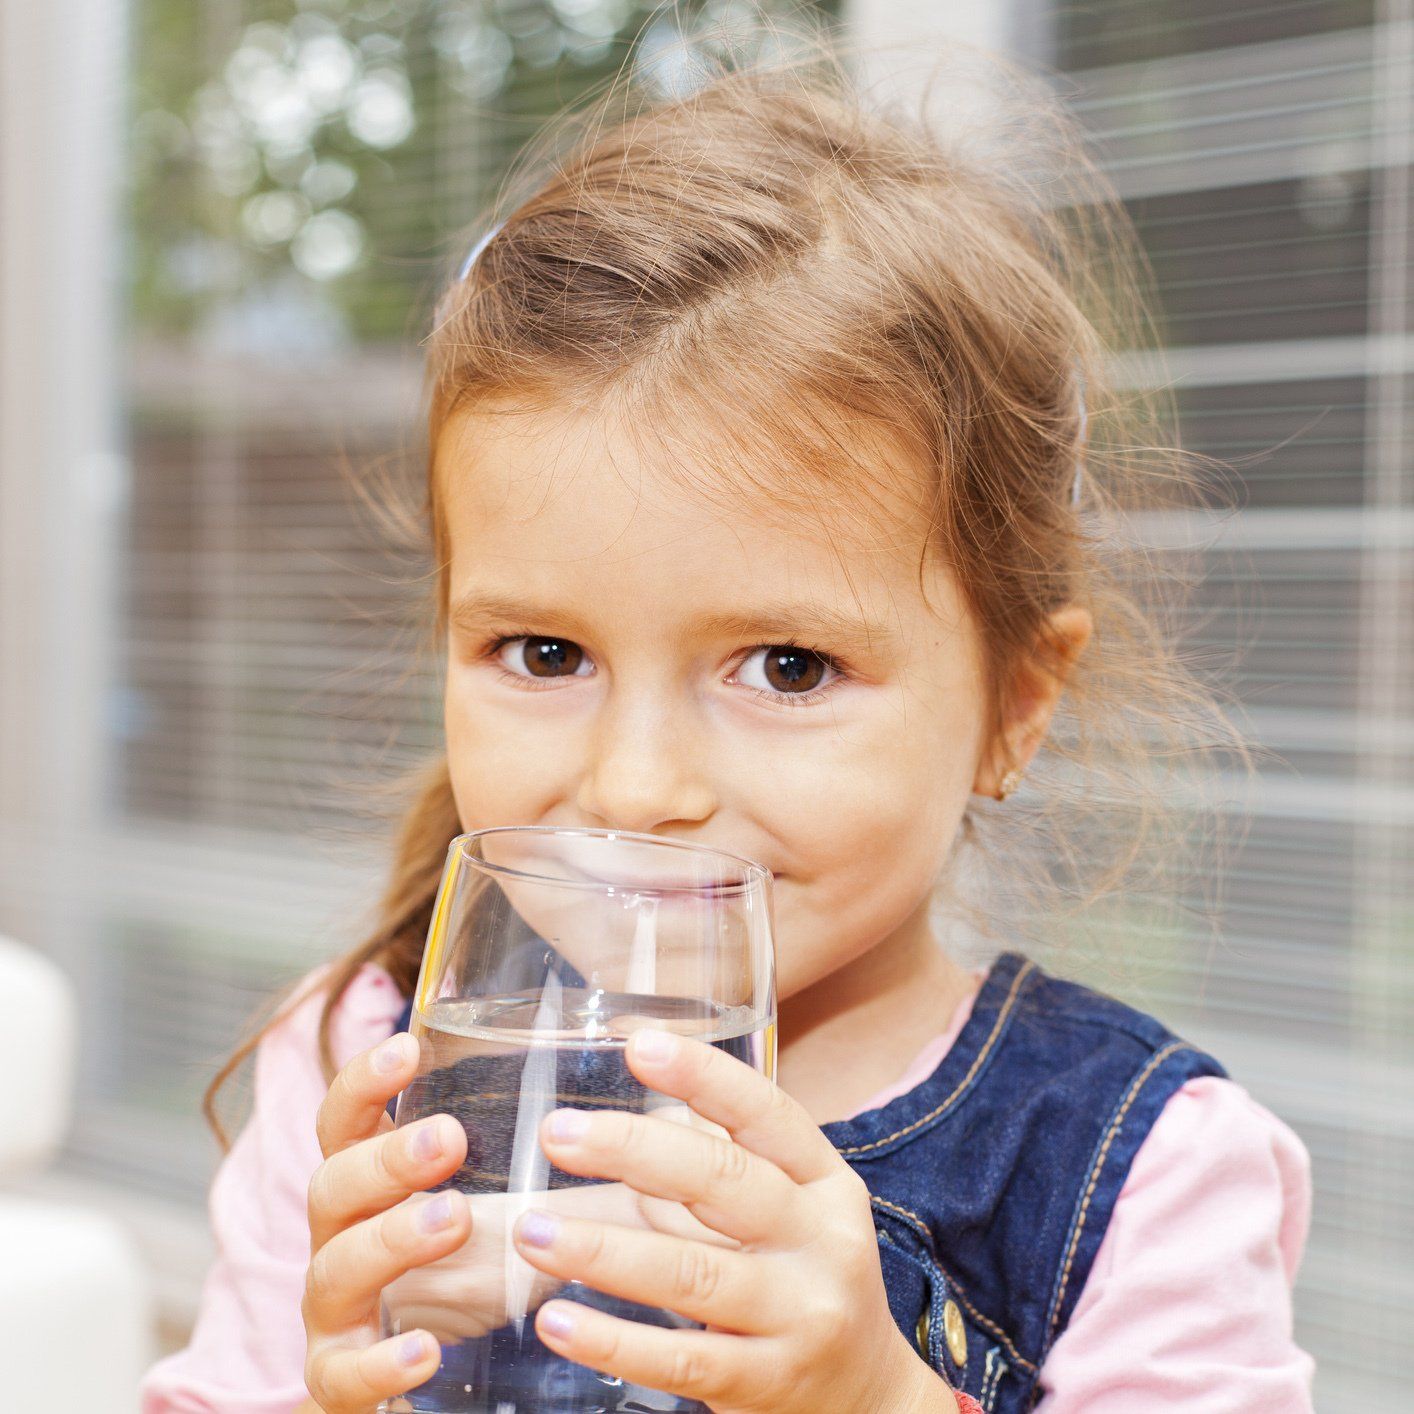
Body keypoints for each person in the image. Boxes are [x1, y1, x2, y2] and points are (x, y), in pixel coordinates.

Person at [141, 32, 1314, 1414]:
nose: (636, 789)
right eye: (543, 649)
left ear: (1013, 705)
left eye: (788, 667)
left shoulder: (1146, 1166)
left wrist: (879, 1396)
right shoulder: (362, 1057)